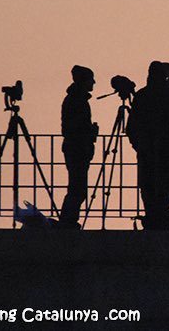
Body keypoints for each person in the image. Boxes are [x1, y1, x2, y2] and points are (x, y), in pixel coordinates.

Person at [126, 61, 169, 224]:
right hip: (166, 150)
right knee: (163, 186)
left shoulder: (142, 97)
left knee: (148, 185)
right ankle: (160, 219)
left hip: (150, 150)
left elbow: (132, 126)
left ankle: (152, 218)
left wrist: (139, 144)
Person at [58, 65, 99, 228]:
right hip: (77, 149)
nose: (94, 83)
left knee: (77, 187)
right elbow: (71, 127)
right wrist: (90, 131)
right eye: (91, 79)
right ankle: (67, 221)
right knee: (78, 188)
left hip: (77, 148)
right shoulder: (76, 101)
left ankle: (68, 220)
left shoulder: (76, 99)